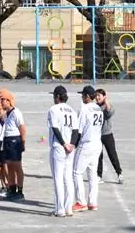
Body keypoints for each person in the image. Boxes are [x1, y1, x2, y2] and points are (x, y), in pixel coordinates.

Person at [47, 85, 79, 218]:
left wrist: (63, 144)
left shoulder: (53, 109)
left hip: (59, 147)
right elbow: (76, 131)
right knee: (68, 178)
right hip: (70, 148)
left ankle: (60, 209)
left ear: (57, 97)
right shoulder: (72, 110)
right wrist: (72, 144)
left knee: (58, 178)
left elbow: (55, 128)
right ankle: (68, 208)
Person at [72, 85, 103, 213]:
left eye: (83, 95)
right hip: (97, 144)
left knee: (76, 172)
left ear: (87, 96)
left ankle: (81, 202)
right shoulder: (98, 109)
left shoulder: (84, 109)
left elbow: (79, 131)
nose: (82, 97)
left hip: (86, 144)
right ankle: (92, 202)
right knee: (92, 175)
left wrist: (73, 145)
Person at [0, 89, 26, 200]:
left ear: (9, 101)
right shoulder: (6, 114)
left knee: (17, 166)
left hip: (15, 140)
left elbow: (22, 128)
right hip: (7, 141)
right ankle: (12, 188)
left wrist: (23, 142)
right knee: (9, 166)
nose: (2, 102)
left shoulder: (16, 113)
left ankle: (20, 190)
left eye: (3, 100)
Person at [95, 88, 123, 184]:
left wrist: (106, 101)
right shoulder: (94, 107)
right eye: (96, 95)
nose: (97, 97)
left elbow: (110, 112)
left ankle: (119, 174)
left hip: (107, 134)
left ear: (104, 96)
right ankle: (99, 175)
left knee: (112, 154)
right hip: (97, 135)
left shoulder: (108, 106)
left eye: (99, 95)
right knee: (98, 156)